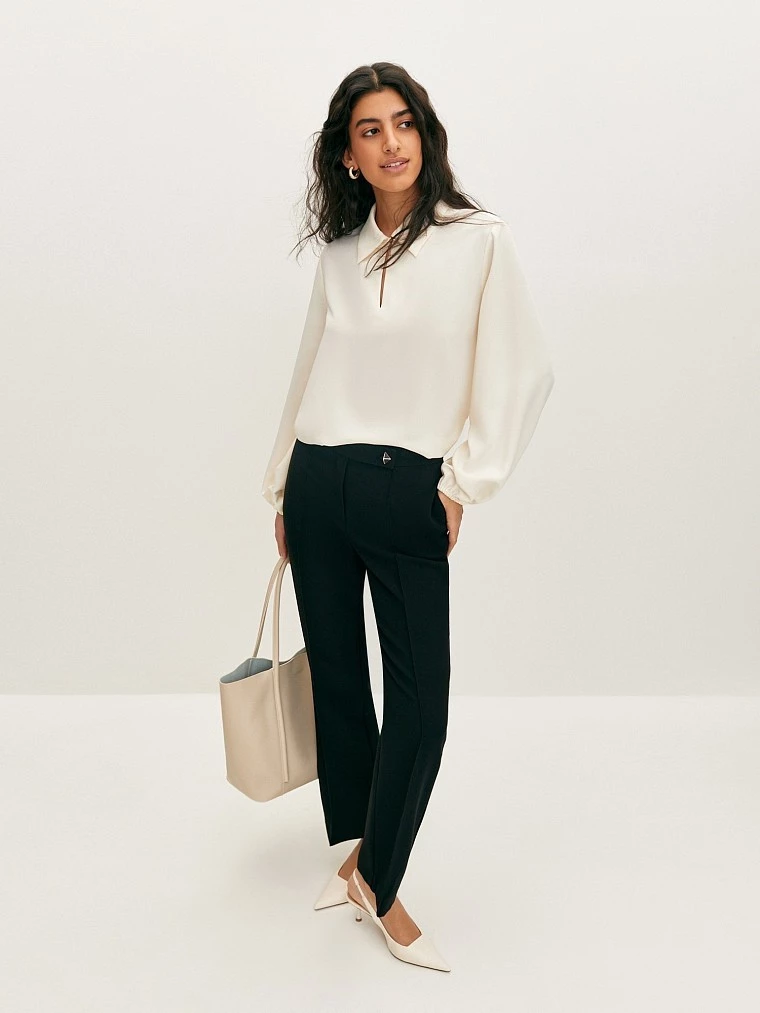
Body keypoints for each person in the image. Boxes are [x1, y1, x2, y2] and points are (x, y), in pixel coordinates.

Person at [260, 61, 555, 972]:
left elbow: (523, 371)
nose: (391, 143)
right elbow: (309, 366)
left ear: (425, 135)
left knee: (421, 701)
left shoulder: (478, 241)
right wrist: (282, 485)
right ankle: (357, 854)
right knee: (340, 683)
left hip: (407, 485)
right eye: (369, 130)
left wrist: (463, 484)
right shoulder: (339, 256)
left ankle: (380, 879)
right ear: (348, 155)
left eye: (403, 123)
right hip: (320, 480)